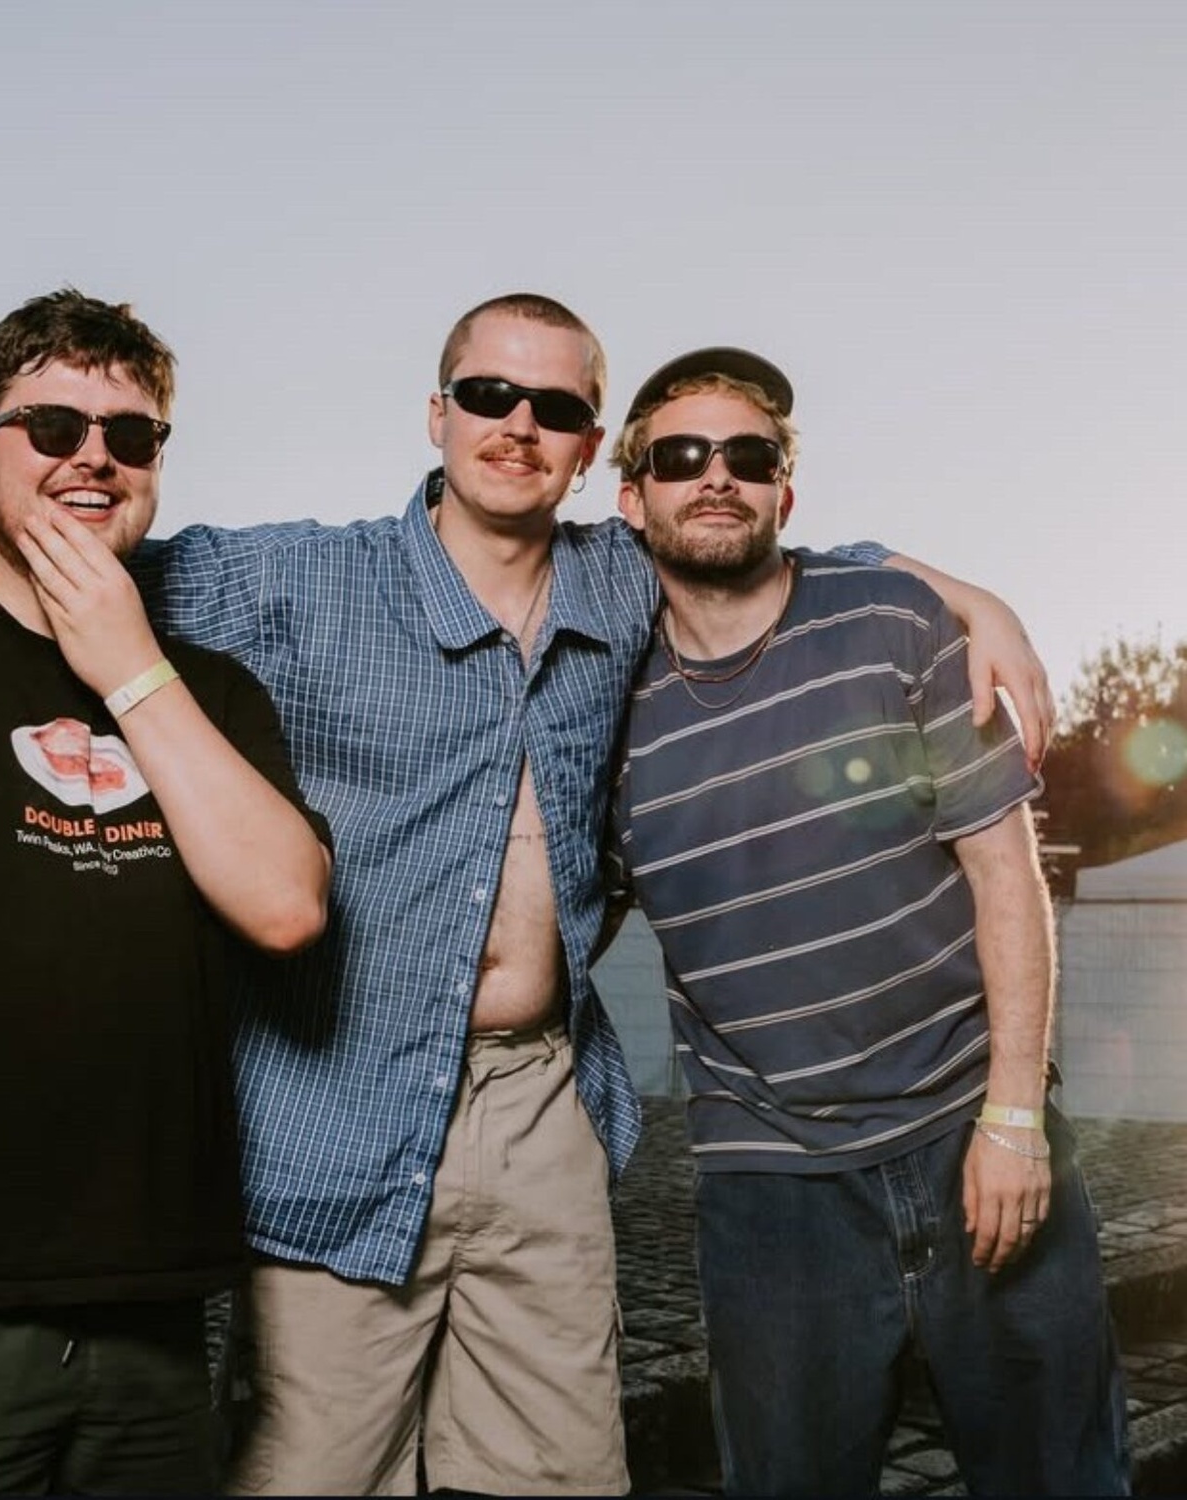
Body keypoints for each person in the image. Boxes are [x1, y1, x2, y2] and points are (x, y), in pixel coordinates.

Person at [134, 293, 1054, 1496]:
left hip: (541, 1106)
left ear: (590, 450)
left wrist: (973, 599)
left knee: (561, 1475)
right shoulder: (295, 578)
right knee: (312, 1471)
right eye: (489, 395)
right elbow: (84, 569)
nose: (518, 424)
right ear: (437, 413)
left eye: (556, 407)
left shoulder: (620, 582)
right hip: (339, 1102)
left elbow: (777, 553)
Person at [608, 346, 1129, 1497]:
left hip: (970, 1130)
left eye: (749, 457)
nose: (716, 476)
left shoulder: (892, 617)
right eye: (681, 455)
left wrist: (1013, 1119)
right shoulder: (605, 694)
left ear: (785, 494)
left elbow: (1005, 872)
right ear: (630, 497)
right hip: (772, 1186)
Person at [0, 290, 334, 1496]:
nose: (95, 456)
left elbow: (286, 906)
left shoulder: (210, 691)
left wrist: (129, 667)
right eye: (53, 425)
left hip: (153, 1299)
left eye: (129, 435)